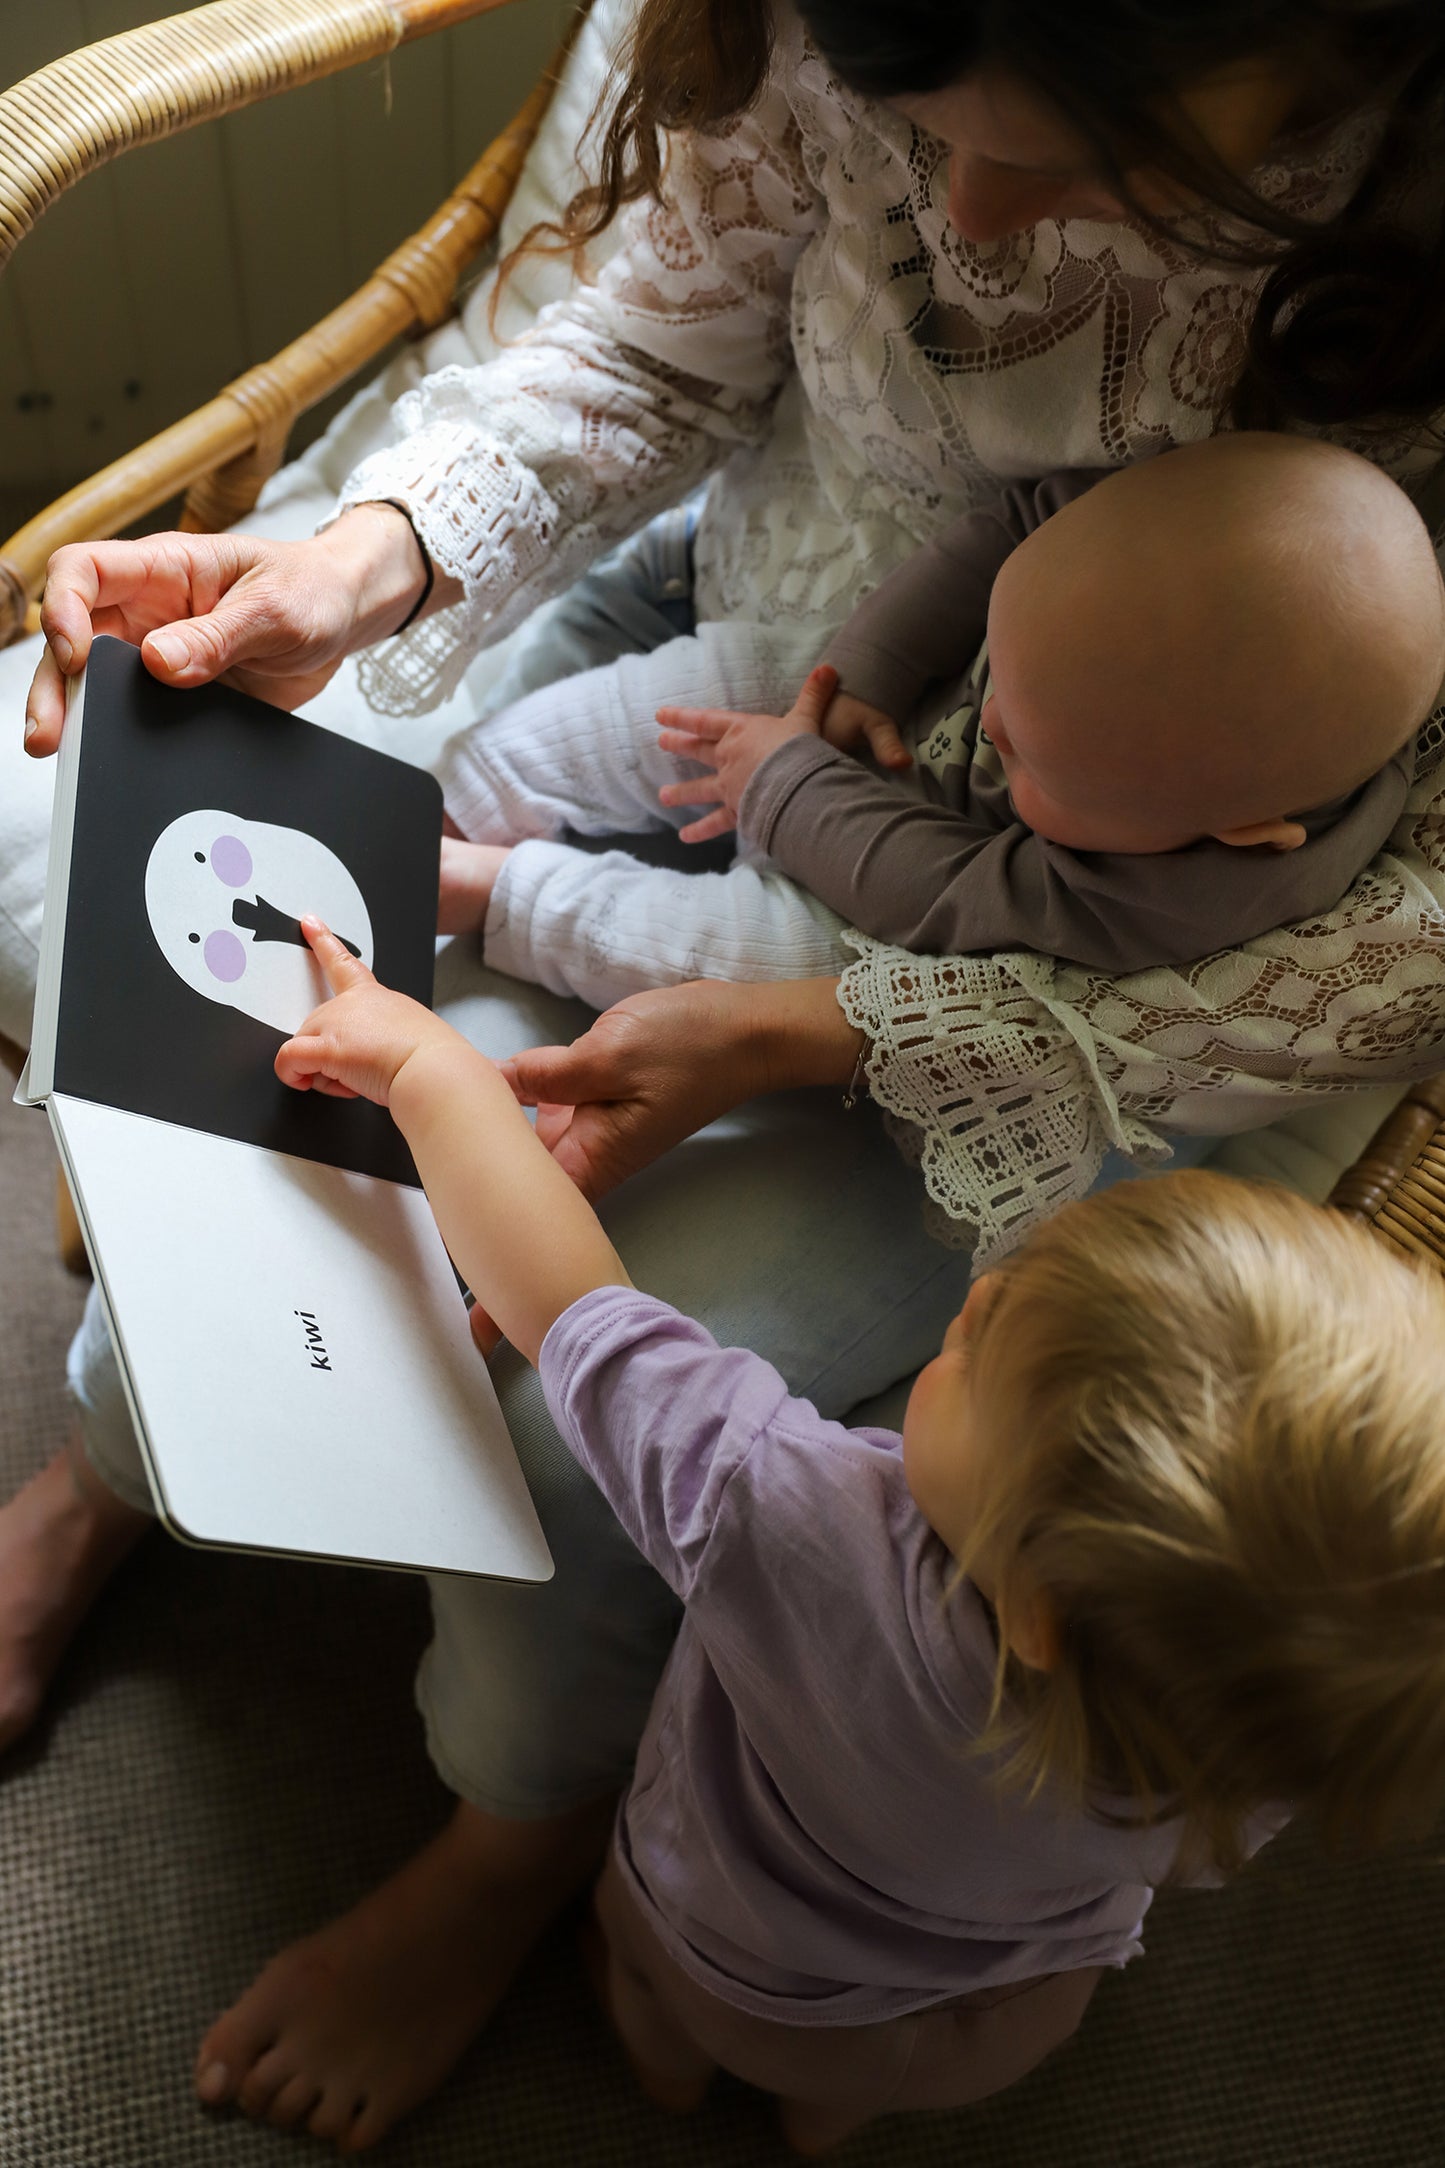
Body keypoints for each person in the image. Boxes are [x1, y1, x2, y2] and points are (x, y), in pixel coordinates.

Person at [5, 0, 1445, 2147]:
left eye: (1064, 162)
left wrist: (763, 1023)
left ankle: (509, 1840)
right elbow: (655, 355)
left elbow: (600, 1288)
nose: (961, 221)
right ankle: (125, 1457)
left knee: (587, 1449)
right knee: (185, 966)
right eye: (908, 126)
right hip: (770, 660)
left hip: (1154, 981)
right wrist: (368, 564)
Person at [268, 917, 1445, 2155]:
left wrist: (425, 1070)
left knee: (649, 1978)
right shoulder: (1259, 1737)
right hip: (1000, 2000)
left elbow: (575, 1310)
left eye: (990, 1350)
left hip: (733, 1960)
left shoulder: (797, 1526)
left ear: (1037, 1609)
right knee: (847, 2089)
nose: (981, 1290)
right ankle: (821, 2122)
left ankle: (657, 2053)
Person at [437, 434, 1444, 1000]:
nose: (995, 725)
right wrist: (881, 664)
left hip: (905, 888)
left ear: (1234, 828)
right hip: (882, 708)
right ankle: (465, 794)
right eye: (1003, 675)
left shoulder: (1208, 886)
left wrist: (785, 786)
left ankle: (509, 894)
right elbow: (1009, 524)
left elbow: (956, 893)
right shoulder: (1139, 530)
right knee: (725, 673)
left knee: (765, 961)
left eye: (1044, 765)